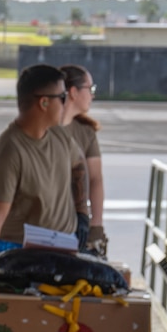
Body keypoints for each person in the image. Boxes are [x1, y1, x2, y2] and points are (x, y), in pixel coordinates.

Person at [0, 64, 77, 265]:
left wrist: (82, 215)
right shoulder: (8, 151)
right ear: (44, 103)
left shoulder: (59, 135)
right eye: (62, 97)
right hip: (22, 254)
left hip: (64, 248)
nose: (66, 104)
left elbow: (79, 165)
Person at [59, 64, 106, 255]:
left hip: (77, 221)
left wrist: (96, 225)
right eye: (90, 89)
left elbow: (95, 180)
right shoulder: (44, 128)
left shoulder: (86, 131)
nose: (92, 95)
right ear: (73, 92)